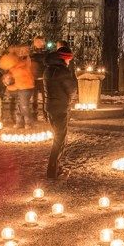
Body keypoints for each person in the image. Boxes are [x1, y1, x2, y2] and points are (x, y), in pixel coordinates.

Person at [44, 43, 78, 179]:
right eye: (69, 59)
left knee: (57, 137)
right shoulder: (63, 71)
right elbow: (72, 89)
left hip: (50, 106)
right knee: (60, 139)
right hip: (61, 107)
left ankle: (55, 166)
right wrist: (69, 102)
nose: (69, 61)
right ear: (65, 58)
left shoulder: (48, 70)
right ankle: (52, 170)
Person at [3, 48, 36, 129]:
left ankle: (28, 123)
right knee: (19, 105)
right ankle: (20, 123)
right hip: (18, 87)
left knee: (24, 105)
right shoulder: (13, 65)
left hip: (26, 87)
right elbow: (8, 73)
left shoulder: (25, 63)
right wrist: (7, 80)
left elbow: (27, 63)